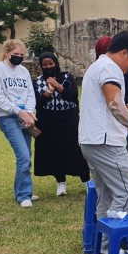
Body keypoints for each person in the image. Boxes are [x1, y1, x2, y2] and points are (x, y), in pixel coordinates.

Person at [79, 32, 128, 226]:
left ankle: (102, 246)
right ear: (124, 52)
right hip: (106, 141)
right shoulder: (110, 68)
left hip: (92, 140)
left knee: (108, 196)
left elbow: (111, 103)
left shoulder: (97, 66)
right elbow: (115, 104)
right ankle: (110, 243)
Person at [0, 39, 39, 208]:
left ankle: (24, 190)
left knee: (27, 156)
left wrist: (29, 112)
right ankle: (24, 195)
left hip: (25, 116)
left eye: (21, 55)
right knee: (23, 155)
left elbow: (30, 93)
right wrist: (18, 111)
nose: (18, 57)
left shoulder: (23, 71)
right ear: (7, 53)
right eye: (15, 54)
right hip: (8, 117)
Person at [32, 52, 90, 195]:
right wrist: (48, 92)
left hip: (69, 119)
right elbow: (37, 104)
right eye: (44, 65)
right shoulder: (38, 81)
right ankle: (61, 183)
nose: (48, 67)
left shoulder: (66, 77)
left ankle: (87, 181)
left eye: (50, 64)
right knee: (54, 152)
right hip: (48, 121)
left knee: (75, 150)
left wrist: (57, 86)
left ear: (56, 63)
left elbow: (72, 96)